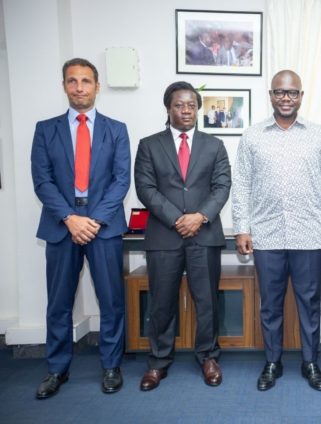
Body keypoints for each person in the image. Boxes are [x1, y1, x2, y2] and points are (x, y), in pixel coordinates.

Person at [231, 70, 321, 392]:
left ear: (301, 96)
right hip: (266, 234)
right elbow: (241, 184)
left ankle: (310, 362)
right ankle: (273, 362)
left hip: (309, 234)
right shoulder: (253, 135)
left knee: (309, 303)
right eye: (279, 92)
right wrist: (241, 228)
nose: (286, 98)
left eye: (292, 92)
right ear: (270, 95)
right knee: (270, 304)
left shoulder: (318, 135)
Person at [31, 58, 131, 399]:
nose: (79, 87)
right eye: (72, 81)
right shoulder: (46, 129)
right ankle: (57, 369)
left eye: (86, 81)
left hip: (103, 226)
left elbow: (121, 181)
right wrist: (70, 218)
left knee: (111, 301)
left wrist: (94, 220)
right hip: (61, 225)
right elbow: (42, 181)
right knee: (58, 303)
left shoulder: (116, 129)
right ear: (64, 86)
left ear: (97, 87)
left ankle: (111, 365)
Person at [134, 81, 231, 391]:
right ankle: (158, 362)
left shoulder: (214, 145)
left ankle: (208, 358)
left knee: (207, 302)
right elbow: (145, 188)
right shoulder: (149, 145)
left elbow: (222, 186)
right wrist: (178, 219)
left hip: (205, 235)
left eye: (191, 105)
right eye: (179, 105)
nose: (186, 110)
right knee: (161, 303)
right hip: (164, 235)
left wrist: (199, 216)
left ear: (198, 109)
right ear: (168, 108)